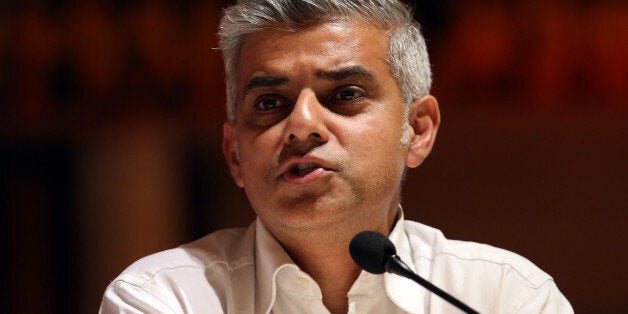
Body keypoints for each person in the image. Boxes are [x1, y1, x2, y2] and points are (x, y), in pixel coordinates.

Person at [100, 0, 573, 313]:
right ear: (234, 154)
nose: (302, 125)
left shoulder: (505, 298)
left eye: (345, 94)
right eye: (269, 103)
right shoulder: (164, 298)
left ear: (419, 130)